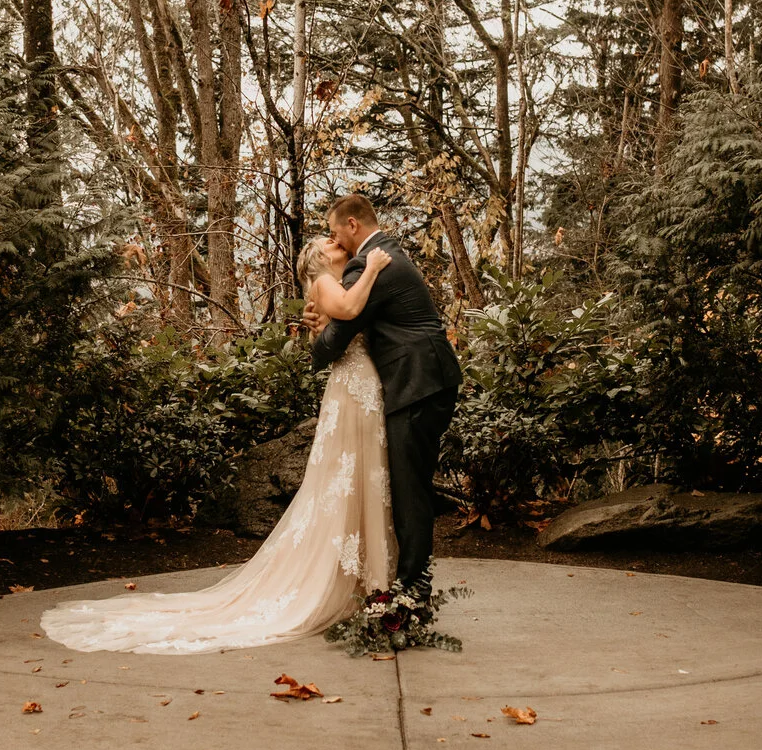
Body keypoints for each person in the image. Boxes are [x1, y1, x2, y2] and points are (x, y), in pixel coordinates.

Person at [40, 235, 398, 652]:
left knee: (356, 479)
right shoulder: (326, 283)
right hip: (353, 389)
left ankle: (365, 584)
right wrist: (372, 267)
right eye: (331, 241)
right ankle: (362, 586)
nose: (338, 242)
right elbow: (350, 313)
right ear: (319, 258)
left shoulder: (336, 286)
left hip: (359, 387)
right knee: (346, 479)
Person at [302, 195, 463, 597]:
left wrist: (318, 336)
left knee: (410, 486)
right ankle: (408, 577)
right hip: (422, 380)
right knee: (406, 483)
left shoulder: (372, 263)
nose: (334, 239)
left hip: (416, 383)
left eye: (335, 232)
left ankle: (413, 585)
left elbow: (333, 343)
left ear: (352, 225)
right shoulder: (384, 253)